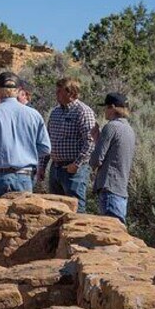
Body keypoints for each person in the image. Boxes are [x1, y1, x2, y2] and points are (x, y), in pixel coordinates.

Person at [0, 72, 51, 196]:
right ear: (18, 90)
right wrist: (26, 152)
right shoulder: (34, 114)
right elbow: (46, 148)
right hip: (24, 176)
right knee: (22, 214)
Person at [40, 77, 99, 213]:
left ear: (71, 94)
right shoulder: (55, 112)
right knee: (54, 209)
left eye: (60, 91)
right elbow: (48, 140)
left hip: (73, 171)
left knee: (76, 209)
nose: (56, 94)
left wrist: (77, 164)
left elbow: (90, 141)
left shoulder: (83, 111)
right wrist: (42, 166)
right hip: (55, 168)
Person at [90, 93, 136, 224]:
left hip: (109, 188)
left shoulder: (111, 127)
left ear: (112, 107)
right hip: (121, 190)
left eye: (106, 107)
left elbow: (96, 159)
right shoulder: (129, 129)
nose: (104, 111)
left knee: (110, 233)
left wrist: (96, 144)